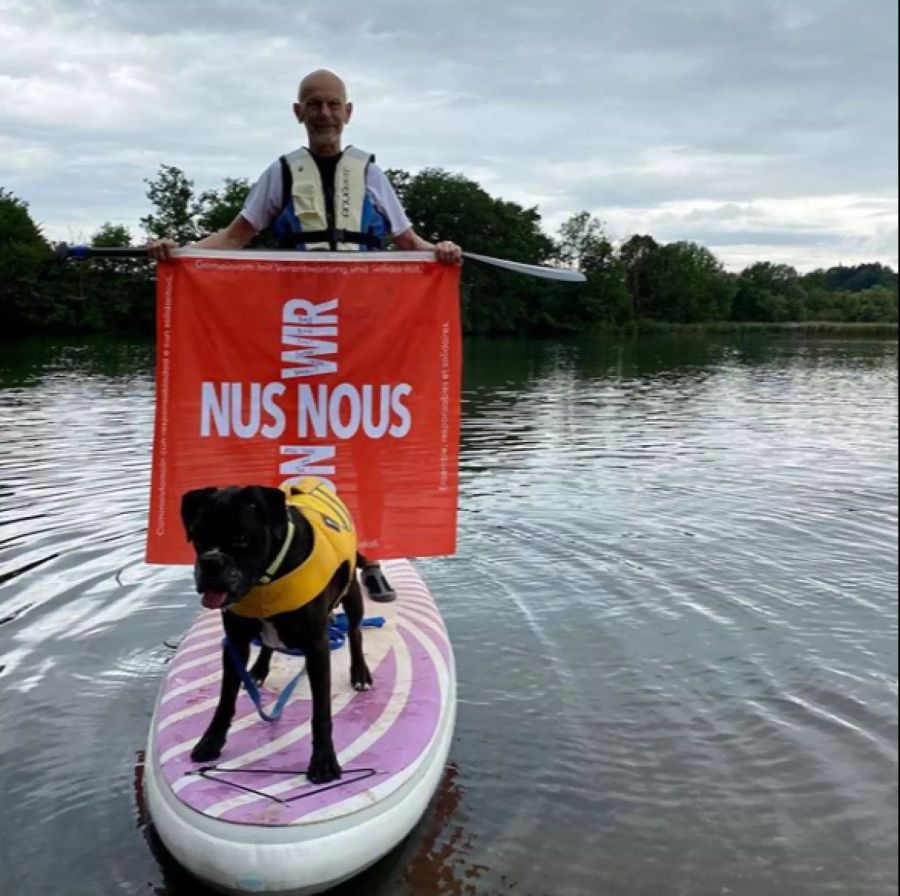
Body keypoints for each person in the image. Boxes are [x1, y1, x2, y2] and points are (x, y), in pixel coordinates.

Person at [149, 69, 461, 603]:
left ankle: (370, 557)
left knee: (366, 448)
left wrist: (442, 251)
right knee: (294, 443)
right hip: (298, 332)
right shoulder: (280, 173)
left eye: (332, 104)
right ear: (298, 112)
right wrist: (179, 253)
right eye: (312, 104)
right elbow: (233, 237)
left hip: (361, 333)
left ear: (348, 112)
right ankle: (285, 555)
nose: (323, 113)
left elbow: (409, 240)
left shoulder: (372, 174)